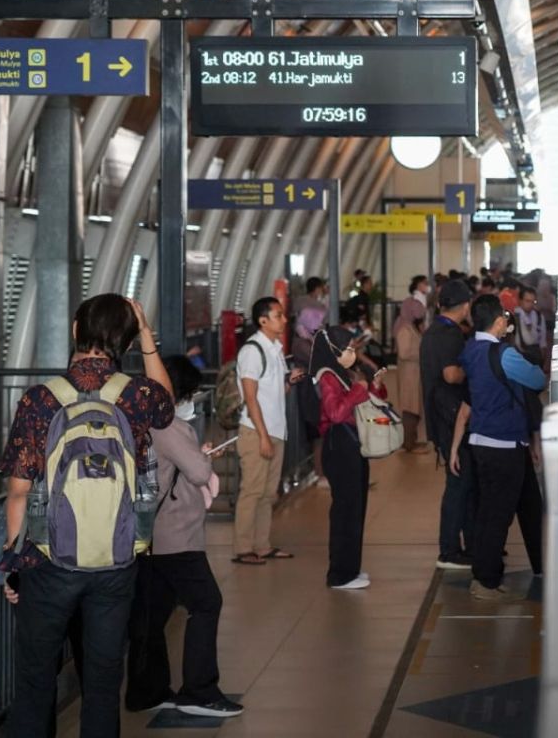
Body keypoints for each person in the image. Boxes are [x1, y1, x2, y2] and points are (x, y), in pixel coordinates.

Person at [1, 294, 174, 738]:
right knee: (101, 683)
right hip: (117, 560)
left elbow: (19, 491)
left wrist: (14, 566)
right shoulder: (134, 396)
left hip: (46, 560)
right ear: (128, 340)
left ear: (76, 330)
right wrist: (148, 340)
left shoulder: (41, 399)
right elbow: (167, 405)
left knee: (36, 681)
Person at [126, 356, 241, 719]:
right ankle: (199, 690)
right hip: (175, 534)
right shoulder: (168, 424)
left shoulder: (137, 420)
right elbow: (196, 470)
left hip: (148, 535)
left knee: (152, 615)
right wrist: (202, 456)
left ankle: (147, 690)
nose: (191, 399)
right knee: (206, 602)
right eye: (188, 392)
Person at [451, 295, 546, 601]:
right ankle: (486, 581)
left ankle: (493, 573)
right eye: (505, 316)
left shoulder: (471, 349)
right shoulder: (503, 354)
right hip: (503, 444)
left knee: (498, 510)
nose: (508, 320)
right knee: (497, 515)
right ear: (497, 321)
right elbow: (537, 379)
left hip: (484, 442)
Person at [232, 297, 304, 565]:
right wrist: (262, 436)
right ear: (263, 321)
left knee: (267, 493)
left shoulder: (274, 348)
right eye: (278, 315)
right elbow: (250, 398)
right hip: (256, 431)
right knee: (252, 491)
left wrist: (289, 382)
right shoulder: (252, 351)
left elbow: (273, 391)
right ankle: (242, 548)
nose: (284, 320)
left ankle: (261, 545)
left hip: (275, 430)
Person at [316, 326, 389, 589]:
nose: (352, 353)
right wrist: (359, 389)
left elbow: (366, 400)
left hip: (354, 444)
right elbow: (335, 412)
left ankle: (351, 568)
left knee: (356, 508)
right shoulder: (327, 377)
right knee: (345, 510)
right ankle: (339, 574)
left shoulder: (345, 374)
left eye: (353, 348)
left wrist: (375, 387)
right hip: (340, 447)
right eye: (347, 349)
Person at [421, 280, 477, 570]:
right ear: (465, 305)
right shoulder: (449, 334)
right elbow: (452, 375)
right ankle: (449, 550)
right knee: (458, 483)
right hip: (450, 418)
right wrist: (477, 365)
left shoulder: (433, 331)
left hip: (439, 415)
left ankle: (468, 544)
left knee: (462, 482)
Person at [394, 278, 430, 452]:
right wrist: (421, 353)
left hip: (414, 373)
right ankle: (409, 443)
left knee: (414, 407)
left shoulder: (411, 327)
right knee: (410, 408)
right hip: (409, 374)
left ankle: (412, 440)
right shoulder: (404, 329)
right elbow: (404, 352)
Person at [514, 285, 547, 368]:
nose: (531, 304)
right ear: (520, 301)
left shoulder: (539, 316)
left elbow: (543, 340)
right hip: (519, 355)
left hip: (535, 355)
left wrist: (542, 359)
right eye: (527, 301)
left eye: (533, 301)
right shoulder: (514, 316)